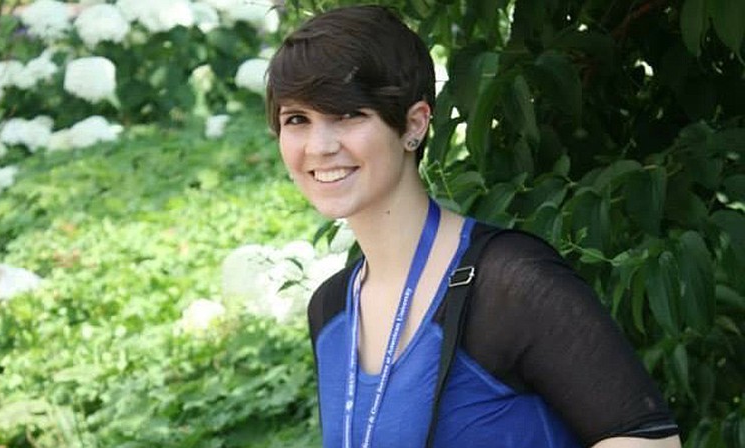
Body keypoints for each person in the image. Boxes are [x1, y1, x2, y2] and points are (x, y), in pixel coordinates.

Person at [266, 5, 682, 448]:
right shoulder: (331, 309)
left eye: (349, 115)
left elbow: (649, 441)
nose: (320, 146)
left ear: (414, 124)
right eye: (297, 120)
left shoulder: (510, 283)